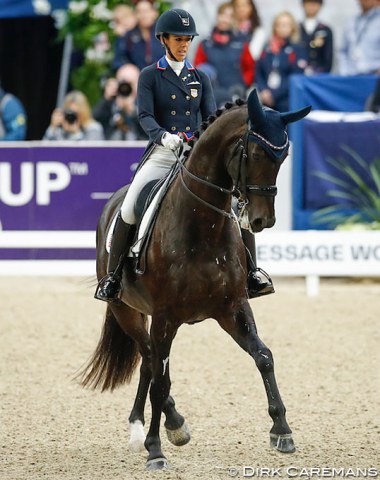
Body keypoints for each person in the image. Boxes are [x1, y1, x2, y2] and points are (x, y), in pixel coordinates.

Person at [95, 8, 274, 304]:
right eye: (178, 39)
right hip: (163, 153)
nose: (184, 45)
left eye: (188, 40)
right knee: (129, 204)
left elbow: (211, 119)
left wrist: (200, 142)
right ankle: (113, 277)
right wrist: (164, 136)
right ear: (164, 40)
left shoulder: (200, 77)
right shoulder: (151, 75)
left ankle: (252, 274)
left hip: (195, 158)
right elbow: (145, 115)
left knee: (234, 206)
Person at [194, 2, 255, 106]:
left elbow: (250, 68)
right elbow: (197, 69)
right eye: (222, 14)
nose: (225, 19)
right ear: (217, 16)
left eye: (229, 16)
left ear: (234, 19)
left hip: (235, 96)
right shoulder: (206, 43)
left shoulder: (242, 42)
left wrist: (243, 85)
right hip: (212, 97)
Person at [256, 11, 308, 112]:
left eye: (285, 25)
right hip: (266, 100)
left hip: (287, 101)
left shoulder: (298, 49)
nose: (281, 28)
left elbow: (295, 76)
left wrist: (274, 95)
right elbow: (258, 72)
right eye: (278, 25)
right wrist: (263, 90)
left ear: (292, 28)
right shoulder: (267, 48)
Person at [93, 64, 147, 140]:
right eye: (122, 83)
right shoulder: (109, 103)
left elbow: (149, 133)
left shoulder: (146, 103)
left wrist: (133, 112)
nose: (125, 88)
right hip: (110, 147)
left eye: (130, 84)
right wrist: (106, 99)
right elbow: (95, 119)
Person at [113, 0, 163, 72]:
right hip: (138, 78)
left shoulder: (165, 33)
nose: (144, 15)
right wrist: (121, 38)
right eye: (139, 12)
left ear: (154, 12)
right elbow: (118, 61)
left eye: (146, 11)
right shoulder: (129, 36)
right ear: (135, 15)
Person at [338, 0, 380, 76]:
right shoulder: (351, 22)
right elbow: (343, 50)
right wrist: (344, 71)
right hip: (352, 75)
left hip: (375, 76)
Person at [299, 0, 333, 74]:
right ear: (303, 4)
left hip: (318, 73)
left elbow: (328, 57)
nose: (311, 6)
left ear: (320, 6)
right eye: (308, 2)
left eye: (315, 3)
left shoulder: (325, 30)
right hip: (299, 74)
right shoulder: (296, 28)